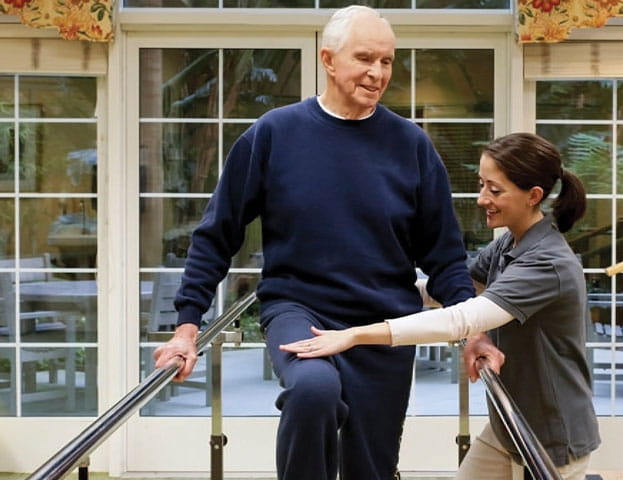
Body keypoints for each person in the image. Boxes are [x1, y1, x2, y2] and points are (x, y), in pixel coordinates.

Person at [153, 5, 475, 480]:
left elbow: (444, 256)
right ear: (328, 59)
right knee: (312, 391)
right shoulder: (274, 134)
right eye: (365, 58)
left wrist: (474, 329)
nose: (378, 72)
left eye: (387, 61)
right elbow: (217, 235)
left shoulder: (411, 145)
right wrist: (186, 327)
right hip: (299, 310)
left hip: (385, 324)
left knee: (372, 466)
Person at [281, 132, 601, 480]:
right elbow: (452, 290)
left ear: (533, 196)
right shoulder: (511, 242)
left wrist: (354, 335)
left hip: (550, 436)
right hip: (507, 427)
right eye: (482, 185)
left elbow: (460, 318)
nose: (482, 199)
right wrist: (363, 290)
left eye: (495, 190)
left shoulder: (548, 262)